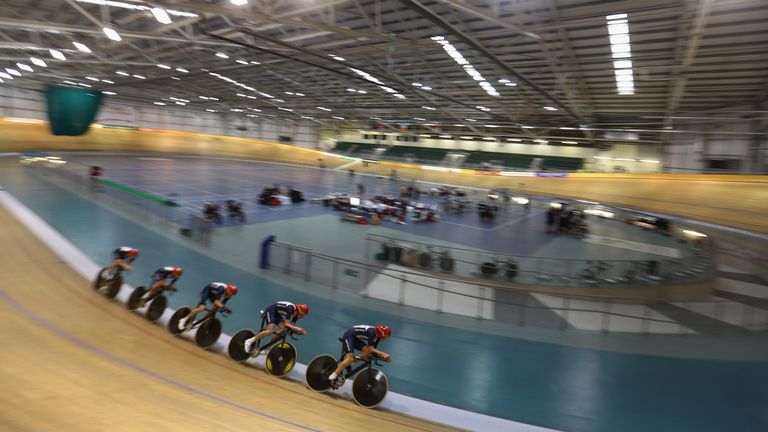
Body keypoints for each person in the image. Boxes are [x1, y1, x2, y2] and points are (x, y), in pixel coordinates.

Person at [328, 324, 392, 389]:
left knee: (367, 352)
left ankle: (348, 362)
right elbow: (371, 349)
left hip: (355, 338)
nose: (386, 339)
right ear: (382, 333)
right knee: (350, 358)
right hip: (349, 335)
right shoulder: (372, 332)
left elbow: (373, 351)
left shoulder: (377, 337)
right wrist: (384, 354)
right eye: (386, 336)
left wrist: (384, 358)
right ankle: (333, 376)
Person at [243, 301, 309, 355]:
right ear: (301, 310)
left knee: (283, 330)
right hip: (271, 310)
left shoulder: (296, 315)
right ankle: (249, 341)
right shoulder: (291, 308)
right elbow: (287, 323)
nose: (304, 315)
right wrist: (298, 329)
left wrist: (294, 330)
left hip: (276, 313)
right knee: (270, 330)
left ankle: (267, 347)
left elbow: (290, 326)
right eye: (304, 313)